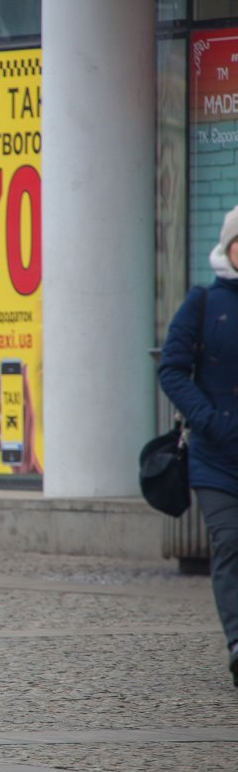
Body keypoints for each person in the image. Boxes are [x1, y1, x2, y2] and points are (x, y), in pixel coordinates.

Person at [158, 204, 238, 688]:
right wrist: (207, 419)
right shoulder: (203, 303)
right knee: (229, 540)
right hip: (215, 455)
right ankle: (237, 641)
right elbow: (171, 368)